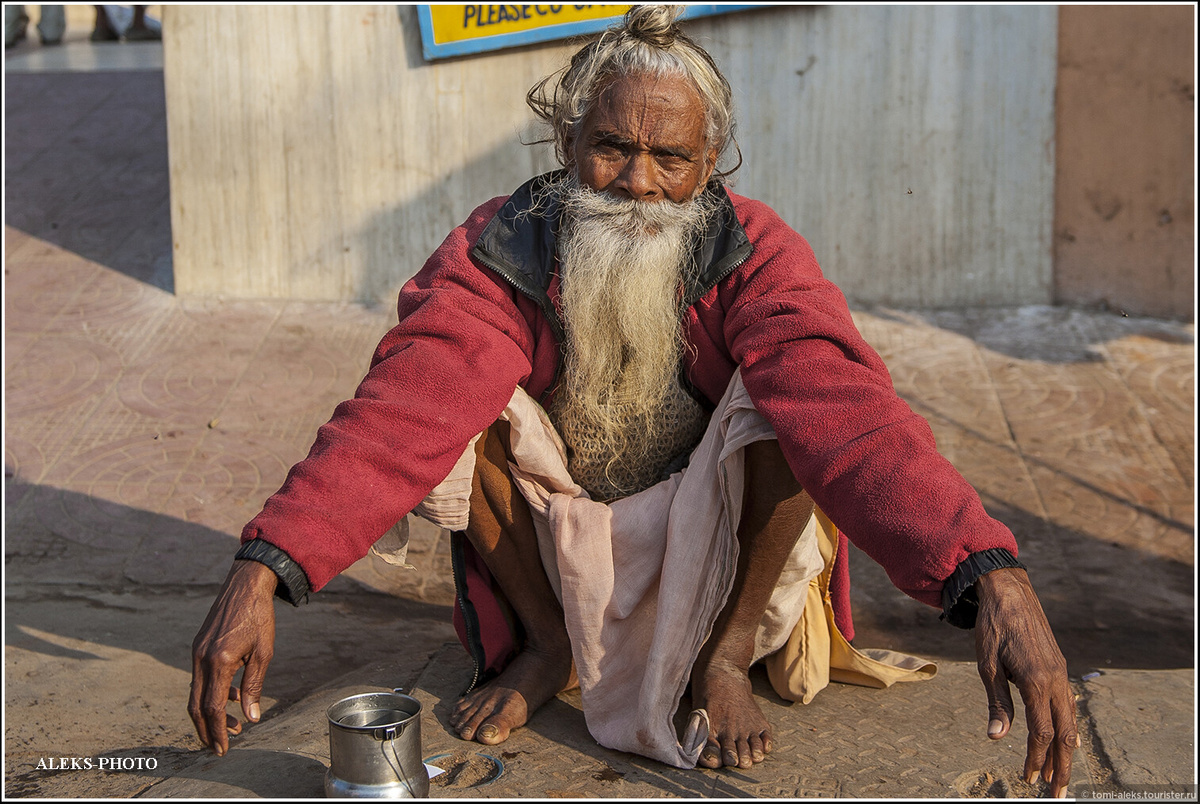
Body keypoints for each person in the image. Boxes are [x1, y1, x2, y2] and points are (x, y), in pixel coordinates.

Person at [189, 5, 1078, 794]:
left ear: (712, 163)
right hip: (559, 527)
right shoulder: (506, 244)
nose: (639, 184)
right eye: (612, 148)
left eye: (671, 158)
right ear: (567, 143)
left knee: (789, 413)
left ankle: (723, 659)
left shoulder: (753, 250)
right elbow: (400, 409)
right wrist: (267, 566)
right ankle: (547, 644)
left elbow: (850, 418)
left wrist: (987, 572)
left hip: (712, 523)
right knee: (461, 418)